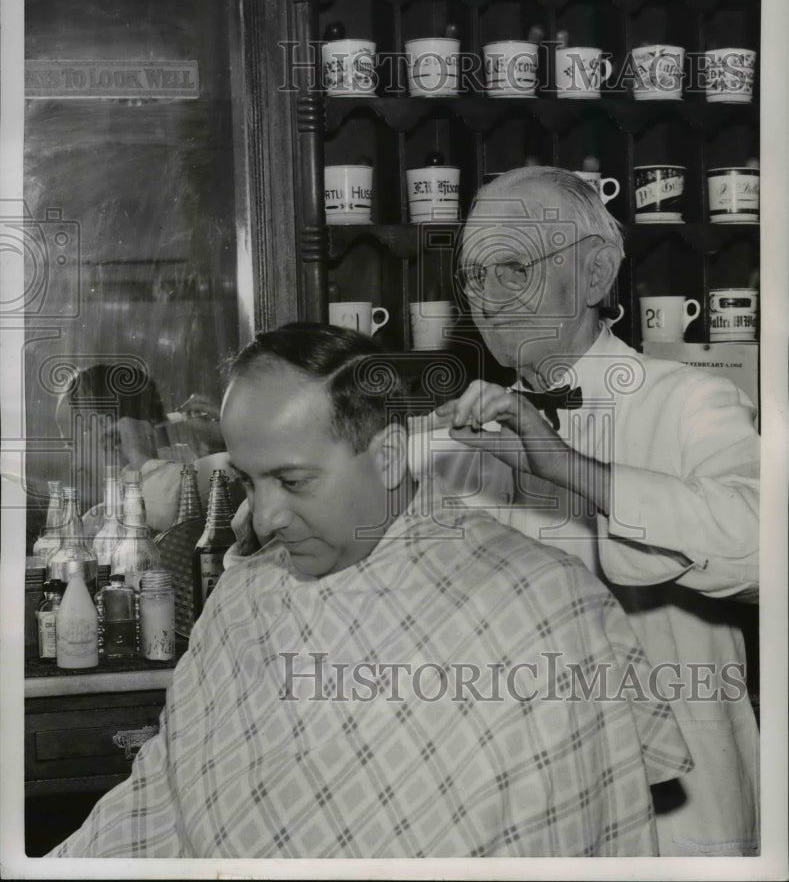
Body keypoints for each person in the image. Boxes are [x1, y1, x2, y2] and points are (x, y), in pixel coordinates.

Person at [50, 323, 692, 859]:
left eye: (293, 482)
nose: (266, 518)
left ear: (389, 455)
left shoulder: (539, 607)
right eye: (249, 482)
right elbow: (157, 802)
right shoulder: (247, 594)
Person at [422, 166, 759, 856]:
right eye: (473, 276)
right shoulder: (462, 437)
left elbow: (766, 547)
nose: (486, 298)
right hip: (517, 817)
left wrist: (575, 471)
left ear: (596, 274)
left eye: (511, 267)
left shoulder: (687, 400)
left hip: (675, 824)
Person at [54, 363, 239, 534]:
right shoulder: (96, 520)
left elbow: (178, 505)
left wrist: (140, 458)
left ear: (105, 428)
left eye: (73, 446)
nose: (76, 465)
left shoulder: (184, 484)